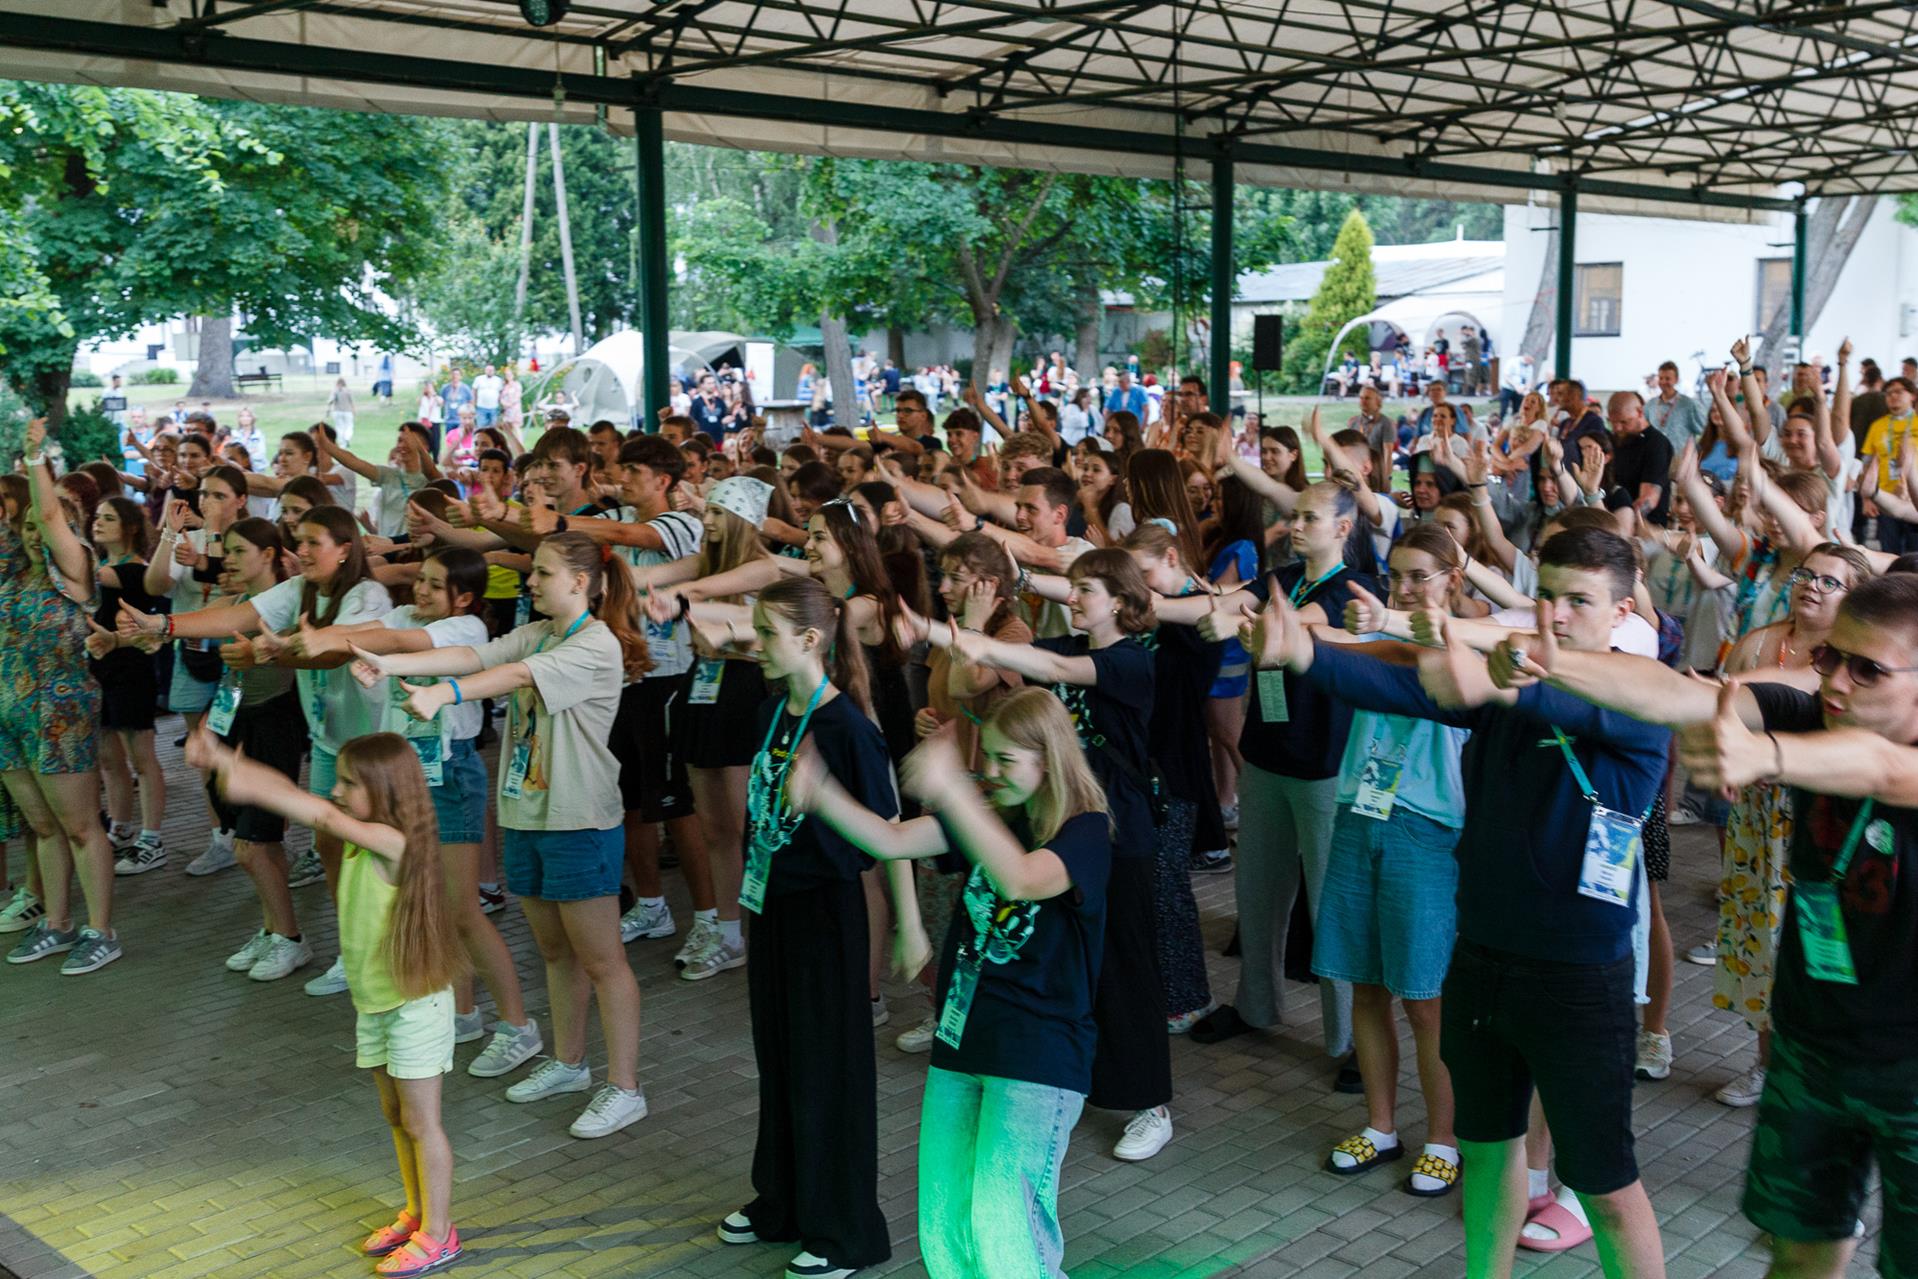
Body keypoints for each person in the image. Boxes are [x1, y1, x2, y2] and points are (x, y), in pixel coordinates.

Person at [1250, 525, 1670, 1279]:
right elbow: (1406, 687)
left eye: (1580, 601)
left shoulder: (1636, 701)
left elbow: (1529, 693)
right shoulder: (1509, 687)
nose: (1557, 615)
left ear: (1622, 612)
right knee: (1486, 1153)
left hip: (1579, 976)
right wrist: (1304, 654)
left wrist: (1470, 659)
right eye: (1547, 597)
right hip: (1480, 960)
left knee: (1605, 1184)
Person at [788, 689, 1107, 1279]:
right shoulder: (995, 812)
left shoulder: (1085, 832)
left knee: (1006, 1232)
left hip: (1037, 1059)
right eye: (988, 756)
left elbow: (1021, 879)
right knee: (945, 1225)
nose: (992, 771)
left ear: (1050, 760)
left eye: (1007, 759)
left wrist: (955, 792)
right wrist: (821, 792)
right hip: (962, 1046)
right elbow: (891, 841)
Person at [350, 532, 650, 1140]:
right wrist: (392, 665)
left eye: (542, 573)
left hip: (579, 820)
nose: (530, 582)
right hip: (525, 813)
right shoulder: (539, 631)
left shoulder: (596, 644)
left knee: (603, 960)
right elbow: (472, 656)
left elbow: (512, 675)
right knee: (555, 952)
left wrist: (442, 695)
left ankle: (625, 1088)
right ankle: (568, 1063)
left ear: (580, 583)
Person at [189, 729, 466, 1278]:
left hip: (415, 1009)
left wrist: (245, 782)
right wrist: (224, 760)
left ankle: (440, 1234)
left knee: (421, 1122)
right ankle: (416, 1213)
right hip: (377, 1004)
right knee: (396, 1116)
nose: (336, 791)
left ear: (384, 790)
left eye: (348, 783)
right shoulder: (366, 836)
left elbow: (313, 810)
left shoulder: (394, 842)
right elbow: (303, 798)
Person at [711, 575, 925, 1279]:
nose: (755, 643)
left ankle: (845, 1230)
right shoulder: (773, 710)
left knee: (828, 1067)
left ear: (809, 639)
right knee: (778, 1055)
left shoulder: (850, 729)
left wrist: (909, 926)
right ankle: (781, 1200)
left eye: (766, 633)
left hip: (826, 915)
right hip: (772, 906)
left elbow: (892, 831)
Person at [933, 549, 1175, 1162]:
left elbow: (1051, 667)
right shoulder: (1065, 647)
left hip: (1121, 836)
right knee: (1076, 964)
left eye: (1086, 589)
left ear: (1120, 601)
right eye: (1072, 587)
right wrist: (972, 634)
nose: (1072, 598)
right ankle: (1081, 1077)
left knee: (1126, 967)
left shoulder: (1131, 660)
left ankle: (1150, 1104)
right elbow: (967, 688)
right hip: (1066, 830)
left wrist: (981, 642)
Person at [288, 547, 543, 1079]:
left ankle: (518, 1026)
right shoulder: (406, 614)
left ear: (464, 598)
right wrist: (298, 644)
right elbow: (379, 632)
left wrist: (334, 640)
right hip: (410, 777)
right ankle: (463, 1013)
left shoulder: (468, 629)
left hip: (451, 774)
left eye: (434, 584)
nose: (420, 591)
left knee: (463, 910)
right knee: (434, 906)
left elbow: (399, 644)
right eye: (420, 579)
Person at [120, 504, 392, 994]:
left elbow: (334, 652)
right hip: (329, 743)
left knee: (369, 854)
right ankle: (353, 951)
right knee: (330, 848)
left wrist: (270, 652)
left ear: (345, 549)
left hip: (372, 747)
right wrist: (161, 626)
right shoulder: (301, 588)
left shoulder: (366, 594)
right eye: (298, 541)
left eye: (313, 543)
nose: (301, 551)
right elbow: (240, 615)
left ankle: (380, 955)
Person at [2, 421, 123, 975]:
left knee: (79, 826)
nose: (36, 533)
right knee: (43, 826)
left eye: (46, 525)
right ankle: (56, 922)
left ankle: (102, 930)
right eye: (26, 526)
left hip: (61, 716)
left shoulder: (74, 572)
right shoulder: (12, 576)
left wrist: (34, 457)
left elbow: (50, 514)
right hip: (11, 716)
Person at [85, 496, 168, 877]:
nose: (98, 523)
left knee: (142, 758)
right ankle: (120, 828)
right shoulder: (101, 565)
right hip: (99, 670)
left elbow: (92, 578)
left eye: (109, 518)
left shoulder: (132, 571)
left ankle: (152, 839)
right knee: (108, 757)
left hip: (132, 669)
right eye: (97, 517)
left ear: (130, 527)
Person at [472, 364, 504, 428]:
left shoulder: (498, 380)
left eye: (491, 370)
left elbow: (501, 393)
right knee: (481, 428)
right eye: (488, 370)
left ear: (494, 371)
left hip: (494, 408)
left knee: (493, 429)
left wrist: (501, 404)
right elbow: (474, 391)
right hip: (481, 408)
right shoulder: (479, 379)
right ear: (485, 370)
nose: (490, 371)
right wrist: (473, 403)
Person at [328, 377, 357, 445]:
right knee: (349, 426)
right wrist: (354, 411)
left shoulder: (335, 391)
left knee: (339, 427)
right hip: (348, 411)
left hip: (337, 411)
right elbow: (352, 402)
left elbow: (330, 401)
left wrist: (329, 410)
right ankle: (347, 438)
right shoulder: (348, 391)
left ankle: (341, 441)